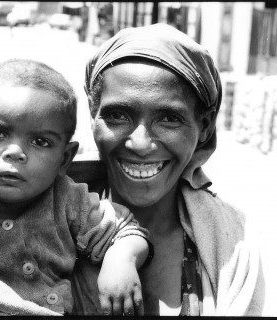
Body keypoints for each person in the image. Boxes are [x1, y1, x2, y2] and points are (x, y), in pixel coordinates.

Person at [72, 23, 265, 316]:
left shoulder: (233, 245)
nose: (139, 143)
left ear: (205, 126)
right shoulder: (41, 216)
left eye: (169, 119)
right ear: (92, 114)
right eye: (116, 115)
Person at [0, 59, 151, 316]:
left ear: (65, 158)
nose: (15, 152)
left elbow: (127, 231)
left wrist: (121, 260)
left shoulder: (67, 200)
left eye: (40, 141)